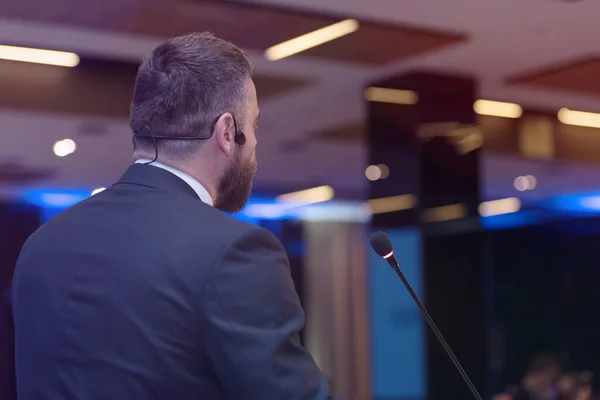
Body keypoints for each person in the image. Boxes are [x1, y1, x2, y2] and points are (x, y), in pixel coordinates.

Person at [12, 32, 332, 399]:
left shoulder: (42, 243)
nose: (256, 142)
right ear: (228, 132)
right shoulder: (234, 250)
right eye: (254, 126)